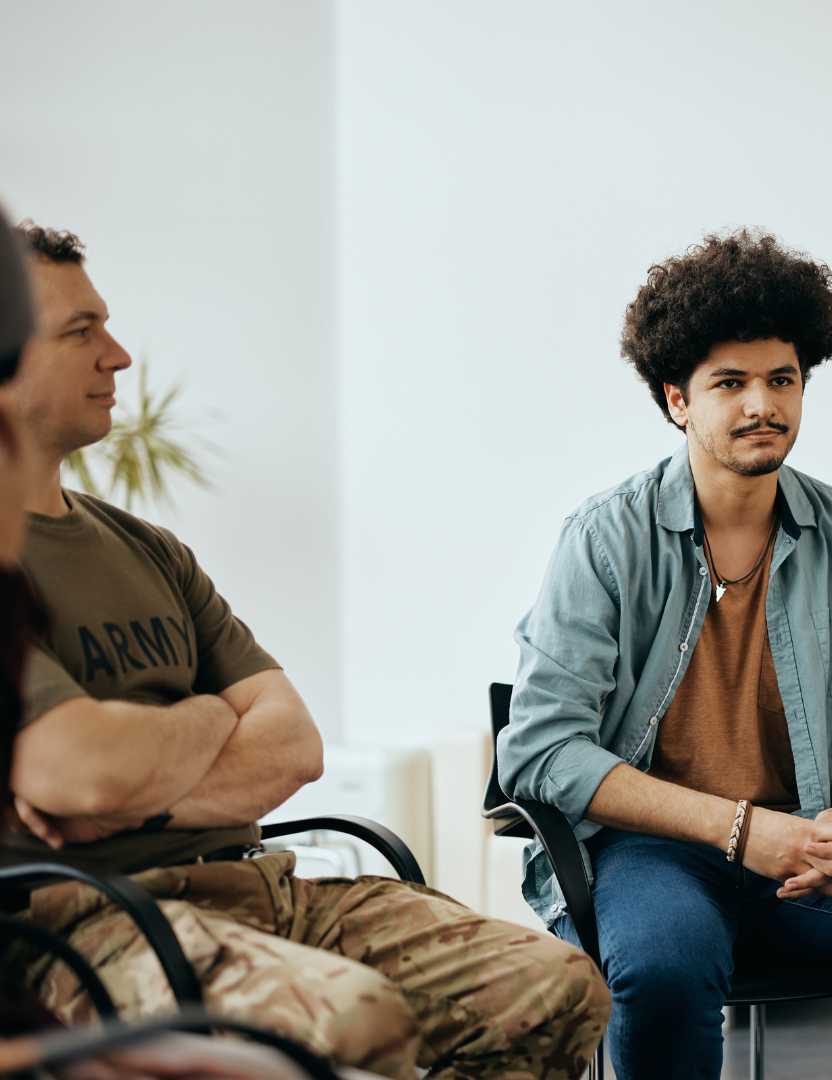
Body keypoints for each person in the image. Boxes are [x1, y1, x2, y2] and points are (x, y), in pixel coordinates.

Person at [4, 220, 609, 1080]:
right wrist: (220, 720)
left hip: (263, 887)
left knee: (555, 984)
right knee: (352, 1021)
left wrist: (161, 765)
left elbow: (295, 744)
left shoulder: (149, 550)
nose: (119, 355)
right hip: (89, 927)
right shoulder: (5, 570)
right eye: (81, 332)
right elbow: (81, 775)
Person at [498, 229, 832, 1079]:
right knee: (664, 964)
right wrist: (741, 830)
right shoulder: (605, 539)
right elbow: (541, 749)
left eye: (781, 379)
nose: (763, 404)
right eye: (731, 383)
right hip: (654, 850)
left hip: (814, 835)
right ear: (678, 399)